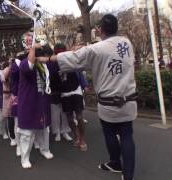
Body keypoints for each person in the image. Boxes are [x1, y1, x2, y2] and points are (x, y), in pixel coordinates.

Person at [38, 14, 137, 180]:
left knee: (110, 133)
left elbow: (72, 57)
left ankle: (115, 162)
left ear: (100, 29)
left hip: (109, 103)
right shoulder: (127, 43)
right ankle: (128, 174)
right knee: (127, 135)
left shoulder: (96, 49)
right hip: (129, 99)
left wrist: (48, 58)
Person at [17, 44, 54, 169]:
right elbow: (28, 67)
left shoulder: (44, 65)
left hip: (42, 100)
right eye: (39, 53)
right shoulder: (24, 63)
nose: (42, 56)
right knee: (27, 132)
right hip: (29, 102)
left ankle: (44, 149)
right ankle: (25, 157)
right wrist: (32, 48)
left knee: (45, 128)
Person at [49, 44, 73, 142]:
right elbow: (49, 76)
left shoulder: (67, 61)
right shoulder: (51, 62)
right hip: (54, 90)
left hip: (66, 90)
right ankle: (57, 132)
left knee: (65, 111)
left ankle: (65, 131)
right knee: (55, 112)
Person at [0, 63, 9, 139]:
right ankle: (2, 132)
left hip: (8, 96)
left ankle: (8, 132)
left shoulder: (9, 71)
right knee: (0, 118)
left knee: (7, 117)